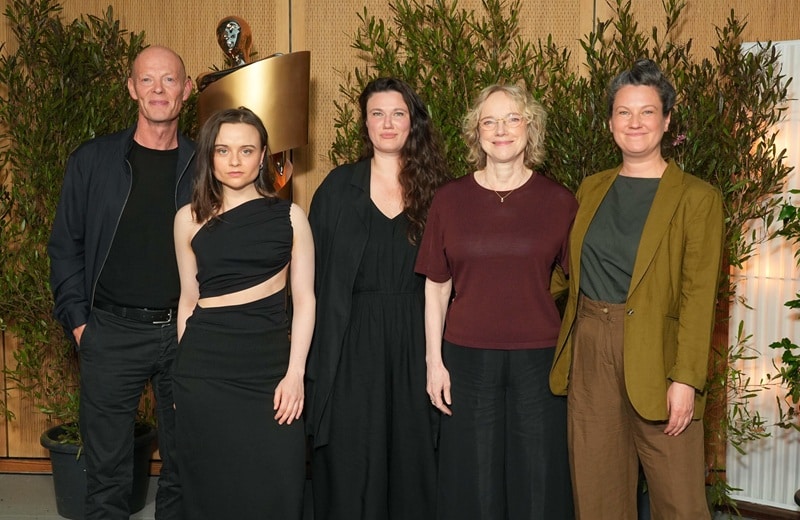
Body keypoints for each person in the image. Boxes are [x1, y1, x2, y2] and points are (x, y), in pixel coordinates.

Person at [549, 59, 724, 520]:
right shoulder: (591, 189)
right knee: (598, 496)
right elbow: (562, 270)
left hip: (660, 359)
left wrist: (686, 379)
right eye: (624, 112)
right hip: (590, 351)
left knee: (681, 503)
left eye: (647, 112)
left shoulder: (697, 198)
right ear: (610, 123)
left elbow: (698, 295)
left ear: (667, 120)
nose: (635, 123)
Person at [416, 84, 576, 520]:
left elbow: (581, 286)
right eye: (489, 121)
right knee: (472, 480)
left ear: (531, 128)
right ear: (476, 133)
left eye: (512, 119)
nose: (500, 130)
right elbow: (436, 285)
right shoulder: (449, 200)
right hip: (466, 360)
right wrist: (434, 361)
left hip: (538, 362)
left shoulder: (560, 202)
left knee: (539, 480)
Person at [48, 45, 194, 520]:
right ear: (131, 88)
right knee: (107, 474)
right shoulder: (92, 161)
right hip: (110, 331)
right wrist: (80, 325)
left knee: (186, 466)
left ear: (186, 90)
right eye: (147, 80)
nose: (158, 90)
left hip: (186, 332)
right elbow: (65, 246)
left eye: (169, 80)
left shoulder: (206, 165)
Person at [306, 77, 450, 520]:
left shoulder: (441, 192)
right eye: (377, 114)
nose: (387, 124)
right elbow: (311, 280)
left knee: (416, 455)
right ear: (364, 123)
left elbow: (452, 278)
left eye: (398, 114)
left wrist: (438, 356)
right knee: (354, 456)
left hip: (418, 337)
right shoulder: (336, 188)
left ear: (413, 122)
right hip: (351, 343)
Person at [172, 107, 314, 519]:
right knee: (209, 485)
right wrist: (183, 374)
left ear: (263, 155)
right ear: (209, 157)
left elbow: (305, 300)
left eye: (246, 150)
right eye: (223, 150)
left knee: (277, 481)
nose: (234, 161)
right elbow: (187, 300)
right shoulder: (187, 219)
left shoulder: (290, 217)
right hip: (202, 369)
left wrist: (295, 373)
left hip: (269, 369)